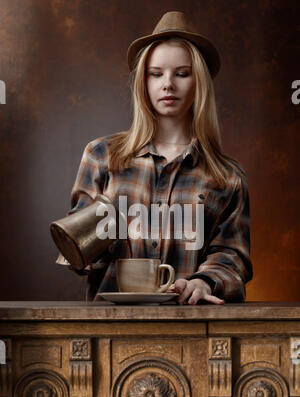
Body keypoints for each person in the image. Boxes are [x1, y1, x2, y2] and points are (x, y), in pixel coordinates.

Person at [56, 11, 253, 305]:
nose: (168, 84)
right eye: (156, 73)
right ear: (143, 82)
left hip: (189, 327)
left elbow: (232, 256)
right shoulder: (101, 156)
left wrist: (204, 282)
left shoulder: (226, 176)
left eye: (182, 73)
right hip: (110, 327)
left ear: (198, 82)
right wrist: (84, 243)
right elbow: (77, 256)